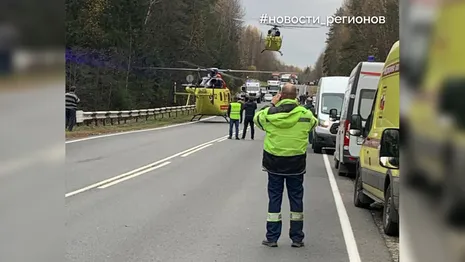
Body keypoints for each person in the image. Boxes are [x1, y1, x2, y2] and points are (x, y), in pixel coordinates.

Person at [253, 83, 318, 248]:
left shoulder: (269, 114)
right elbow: (313, 124)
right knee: (296, 200)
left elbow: (257, 120)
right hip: (296, 164)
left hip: (274, 163)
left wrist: (273, 104)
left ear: (280, 95)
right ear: (296, 96)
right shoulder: (305, 114)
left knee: (274, 199)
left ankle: (272, 237)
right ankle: (297, 238)